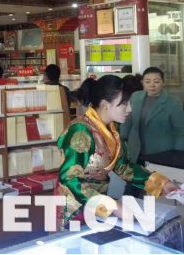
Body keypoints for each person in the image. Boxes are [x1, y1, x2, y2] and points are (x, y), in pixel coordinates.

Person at [57, 75, 179, 230]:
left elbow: (123, 167)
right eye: (124, 104)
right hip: (75, 207)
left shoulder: (112, 128)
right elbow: (69, 178)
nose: (130, 109)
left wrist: (161, 183)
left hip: (97, 205)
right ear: (106, 104)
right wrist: (112, 206)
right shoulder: (80, 131)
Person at [120, 67, 184, 164]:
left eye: (156, 81)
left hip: (161, 152)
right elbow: (128, 121)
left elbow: (180, 131)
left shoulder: (173, 102)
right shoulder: (135, 97)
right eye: (148, 81)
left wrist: (178, 153)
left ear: (163, 83)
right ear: (142, 82)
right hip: (135, 150)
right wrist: (121, 140)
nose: (152, 85)